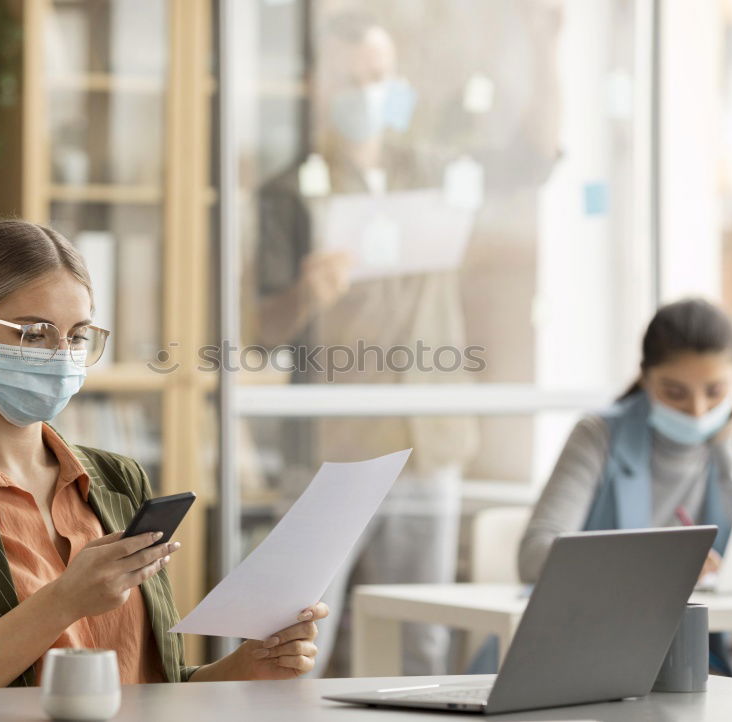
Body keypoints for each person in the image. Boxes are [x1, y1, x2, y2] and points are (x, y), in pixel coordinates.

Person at [0, 220, 328, 691]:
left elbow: (151, 682)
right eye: (34, 334)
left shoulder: (119, 479)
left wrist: (245, 667)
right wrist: (63, 601)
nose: (60, 354)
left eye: (76, 336)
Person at [255, 13, 477, 677]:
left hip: (428, 438)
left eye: (378, 77)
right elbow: (262, 329)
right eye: (350, 80)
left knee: (424, 642)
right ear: (318, 88)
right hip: (334, 448)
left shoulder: (439, 176)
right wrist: (305, 295)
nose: (367, 92)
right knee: (296, 633)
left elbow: (530, 156)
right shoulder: (288, 192)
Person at [518, 298, 732, 676]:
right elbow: (533, 556)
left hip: (692, 658)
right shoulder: (599, 434)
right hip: (580, 650)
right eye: (675, 392)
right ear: (645, 377)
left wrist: (727, 457)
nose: (698, 410)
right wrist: (662, 565)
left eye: (716, 391)